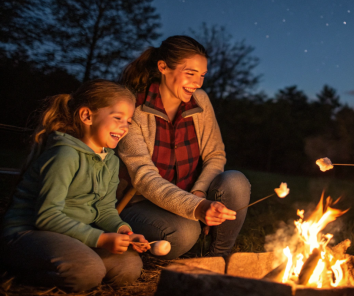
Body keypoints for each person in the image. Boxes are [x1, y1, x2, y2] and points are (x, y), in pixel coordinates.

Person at [0, 80, 148, 292]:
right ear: (87, 116)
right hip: (29, 233)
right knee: (87, 272)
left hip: (73, 235)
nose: (124, 128)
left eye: (129, 121)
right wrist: (101, 238)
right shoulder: (64, 155)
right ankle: (13, 269)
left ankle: (76, 264)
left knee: (128, 267)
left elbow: (104, 210)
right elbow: (47, 217)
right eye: (118, 118)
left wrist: (123, 230)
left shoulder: (111, 161)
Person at [118, 35, 251, 259]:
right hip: (141, 202)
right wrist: (197, 207)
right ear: (163, 67)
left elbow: (215, 154)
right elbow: (144, 177)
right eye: (190, 74)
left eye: (202, 75)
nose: (198, 83)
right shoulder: (134, 107)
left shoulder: (199, 101)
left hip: (190, 195)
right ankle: (136, 247)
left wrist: (199, 191)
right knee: (184, 234)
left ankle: (218, 259)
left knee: (235, 182)